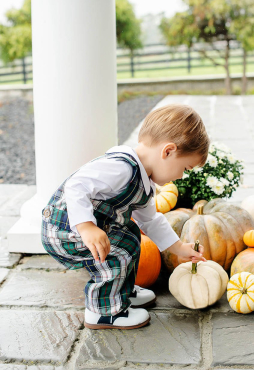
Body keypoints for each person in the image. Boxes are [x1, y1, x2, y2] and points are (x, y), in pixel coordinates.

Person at [41, 103, 210, 330]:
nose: (181, 176)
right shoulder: (121, 168)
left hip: (81, 228)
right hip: (64, 230)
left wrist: (179, 247)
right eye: (185, 168)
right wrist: (87, 227)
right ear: (168, 151)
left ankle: (121, 291)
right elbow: (76, 186)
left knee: (130, 232)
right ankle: (104, 313)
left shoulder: (142, 178)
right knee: (118, 250)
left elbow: (150, 220)